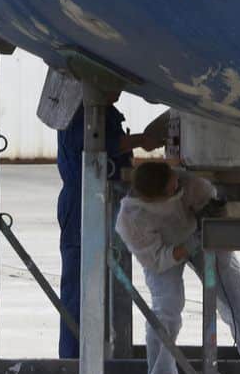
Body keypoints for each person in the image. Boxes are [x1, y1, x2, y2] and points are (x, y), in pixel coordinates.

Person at [116, 161, 240, 374]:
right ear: (155, 197)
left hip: (202, 234)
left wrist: (214, 219)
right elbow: (158, 260)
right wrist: (188, 246)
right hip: (165, 251)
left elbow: (213, 204)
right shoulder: (131, 218)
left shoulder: (190, 184)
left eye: (176, 181)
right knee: (167, 308)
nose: (178, 186)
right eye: (172, 188)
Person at [55, 90, 166, 358]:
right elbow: (94, 143)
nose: (118, 90)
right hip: (84, 198)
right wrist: (142, 140)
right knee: (81, 281)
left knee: (105, 280)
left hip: (103, 196)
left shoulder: (101, 108)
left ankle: (99, 352)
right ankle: (75, 359)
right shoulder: (82, 108)